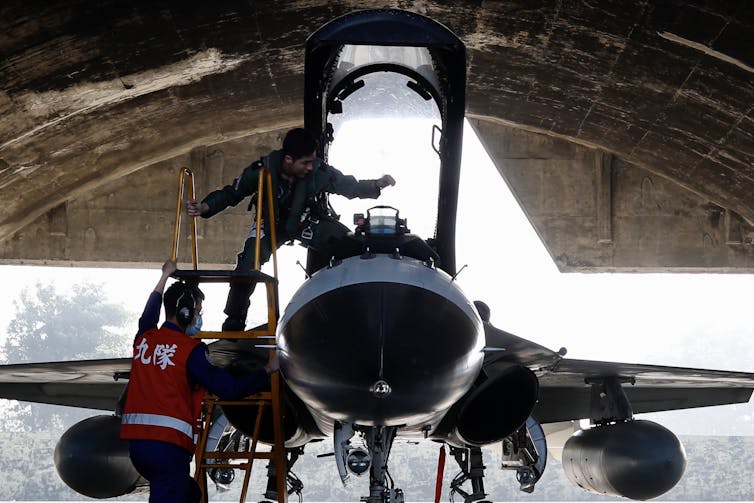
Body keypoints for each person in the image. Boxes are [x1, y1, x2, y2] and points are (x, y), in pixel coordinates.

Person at [187, 127, 396, 331]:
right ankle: (234, 320)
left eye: (312, 161)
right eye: (305, 162)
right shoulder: (261, 171)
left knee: (347, 243)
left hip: (304, 221)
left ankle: (356, 309)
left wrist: (377, 184)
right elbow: (233, 192)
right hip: (269, 224)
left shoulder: (318, 171)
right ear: (288, 160)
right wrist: (206, 206)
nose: (309, 167)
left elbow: (347, 186)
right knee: (248, 264)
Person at [120, 259, 277, 503]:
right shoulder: (189, 350)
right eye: (198, 312)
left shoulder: (144, 339)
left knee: (190, 494)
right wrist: (267, 370)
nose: (198, 317)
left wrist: (164, 276)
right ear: (186, 313)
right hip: (167, 448)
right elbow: (229, 389)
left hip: (138, 447)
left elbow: (149, 312)